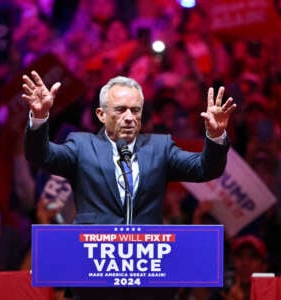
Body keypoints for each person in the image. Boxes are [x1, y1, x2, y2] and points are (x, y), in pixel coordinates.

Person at [22, 71, 236, 300]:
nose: (129, 117)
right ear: (101, 114)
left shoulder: (160, 147)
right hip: (93, 279)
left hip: (150, 281)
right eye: (120, 109)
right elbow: (41, 155)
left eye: (135, 110)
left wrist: (215, 136)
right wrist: (40, 117)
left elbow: (206, 169)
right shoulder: (81, 145)